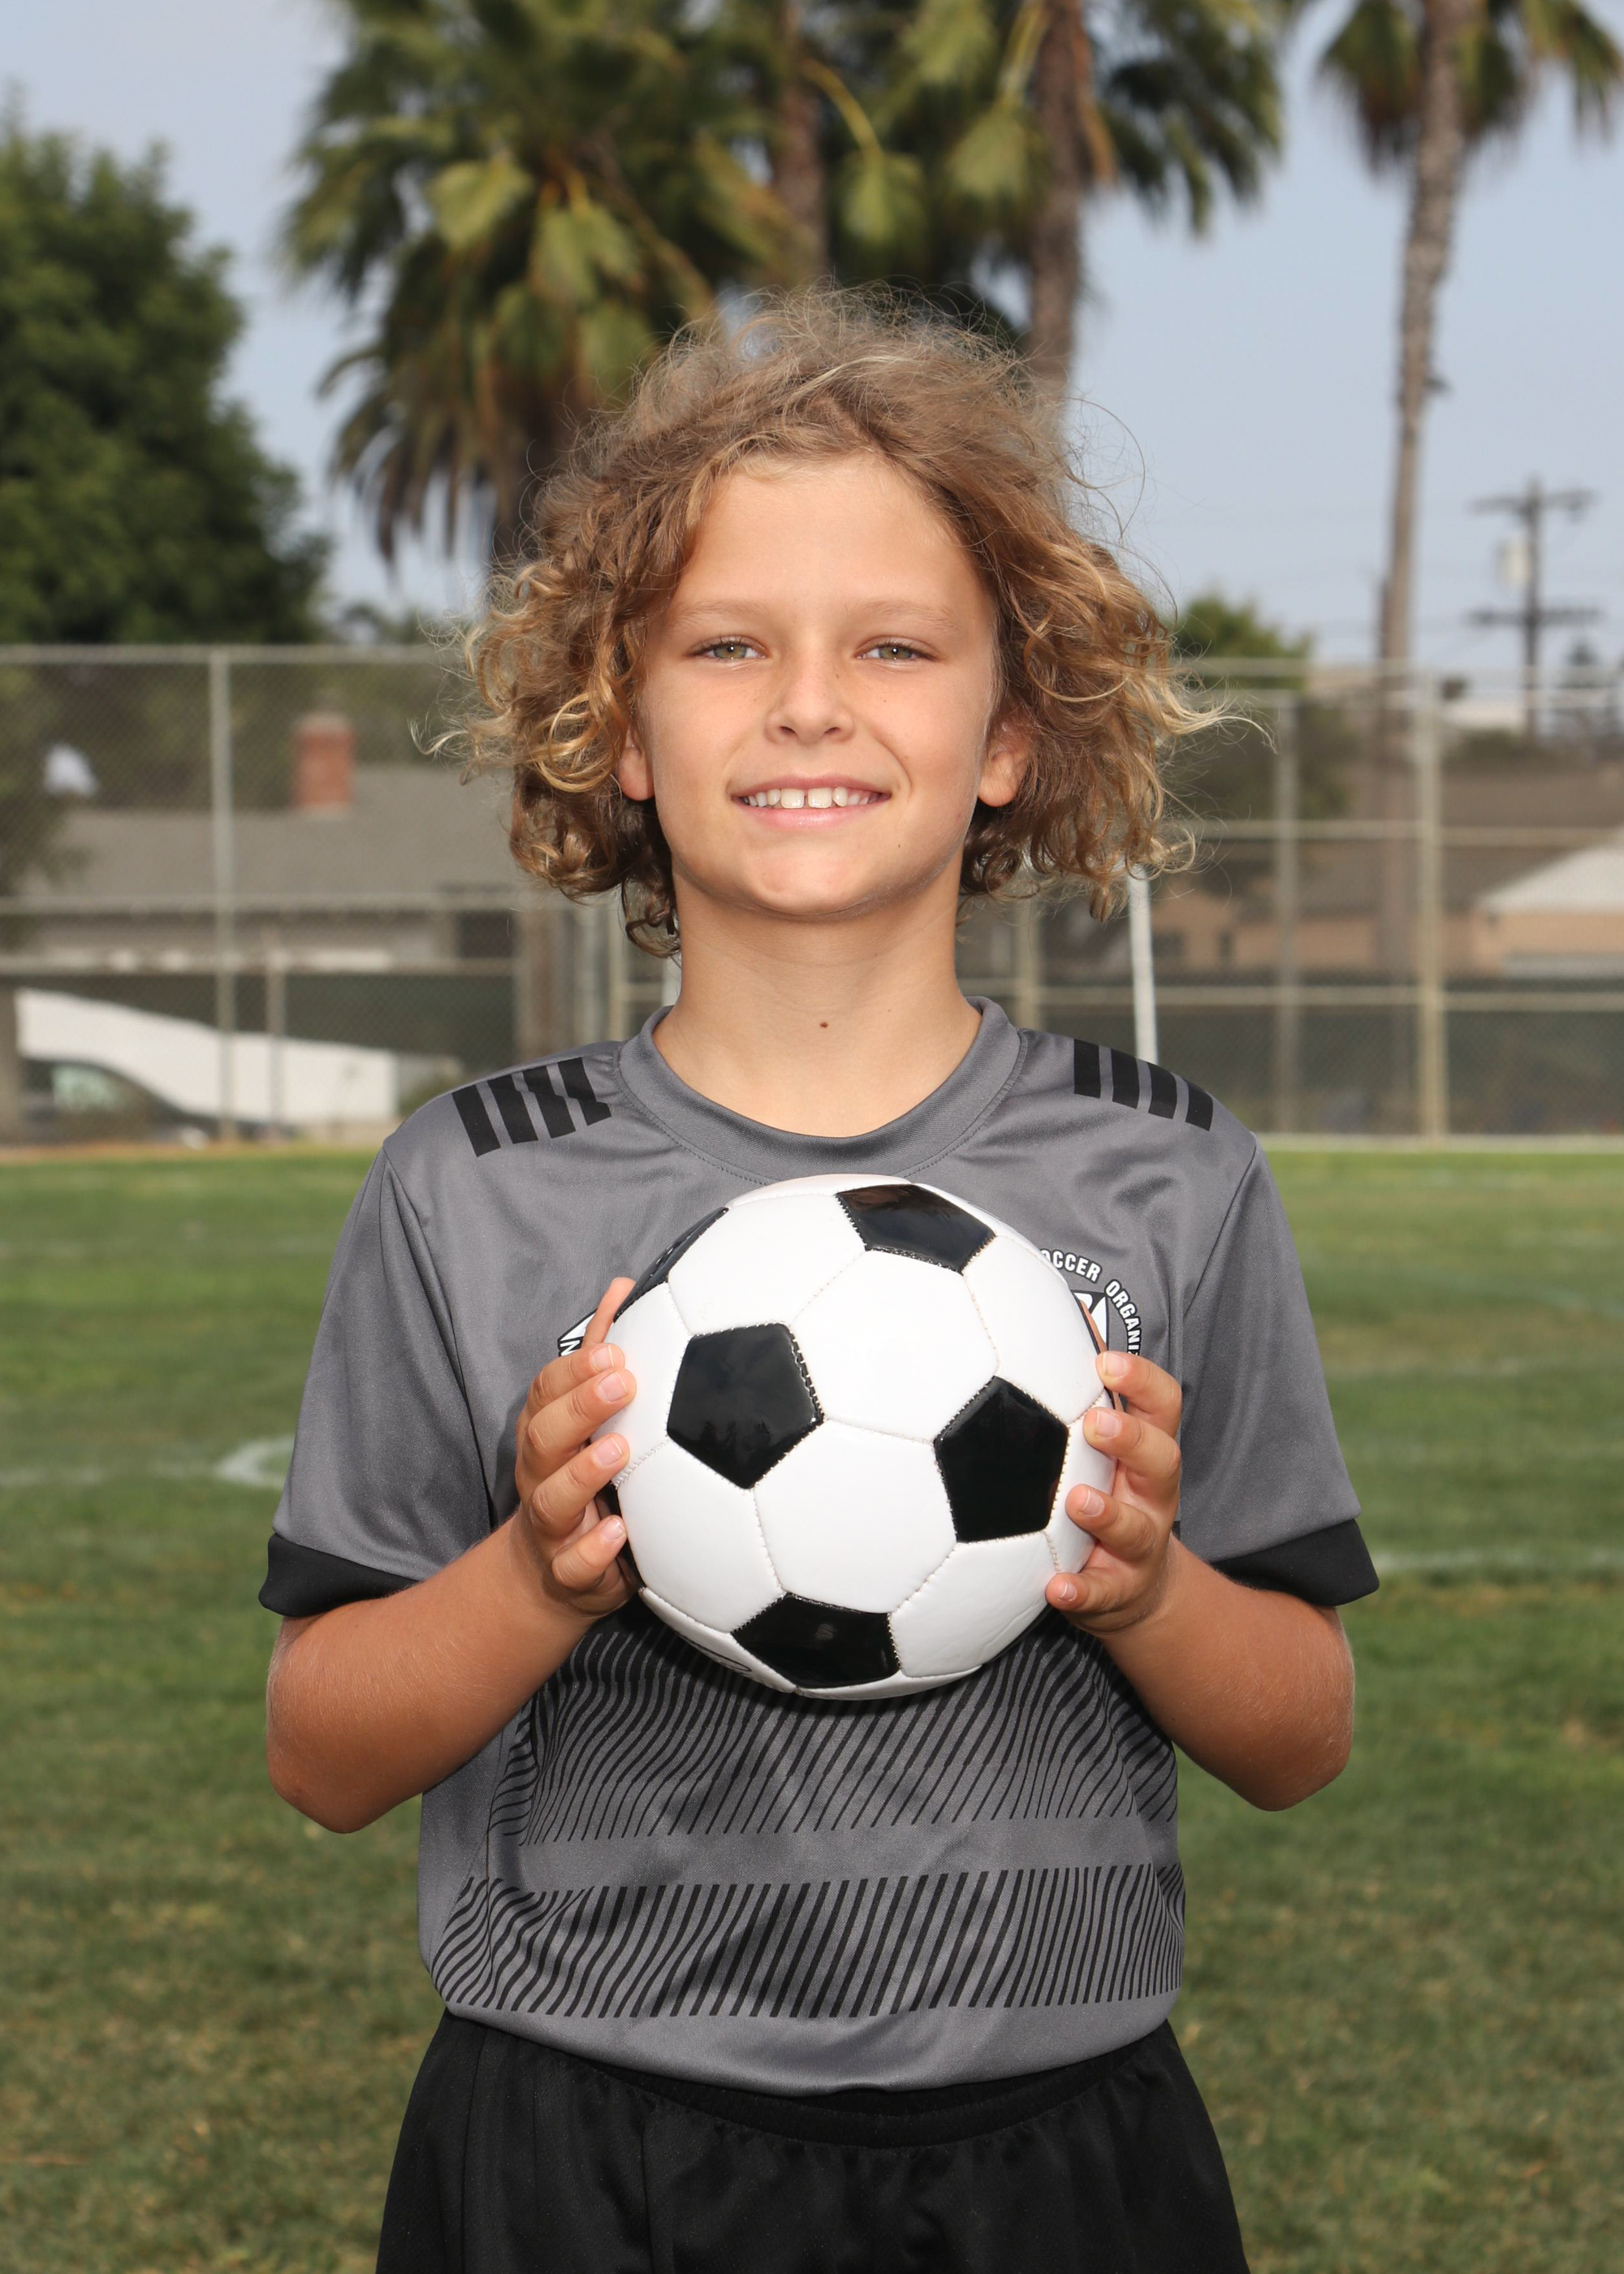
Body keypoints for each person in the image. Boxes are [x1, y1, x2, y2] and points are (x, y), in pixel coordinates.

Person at [261, 287, 1377, 2274]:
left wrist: (1149, 1583)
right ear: (619, 724)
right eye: (727, 644)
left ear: (1010, 733)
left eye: (893, 645)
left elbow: (1300, 1734)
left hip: (1062, 2150)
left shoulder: (1167, 1167)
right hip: (580, 2136)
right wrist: (535, 1572)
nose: (807, 704)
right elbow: (320, 1750)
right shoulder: (473, 1185)